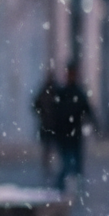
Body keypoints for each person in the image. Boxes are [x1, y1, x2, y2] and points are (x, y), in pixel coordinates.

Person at [53, 64, 96, 192]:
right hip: (65, 133)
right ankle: (63, 185)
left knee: (75, 161)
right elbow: (55, 112)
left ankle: (74, 186)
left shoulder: (76, 92)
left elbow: (87, 110)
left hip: (73, 133)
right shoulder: (64, 92)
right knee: (67, 161)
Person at [33, 70, 60, 177]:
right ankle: (49, 165)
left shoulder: (48, 91)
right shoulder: (52, 92)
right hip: (50, 125)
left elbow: (35, 105)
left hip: (49, 124)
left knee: (49, 146)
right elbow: (36, 105)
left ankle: (49, 165)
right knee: (49, 146)